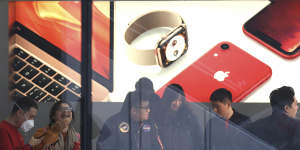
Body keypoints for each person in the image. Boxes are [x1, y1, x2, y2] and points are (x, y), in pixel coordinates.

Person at [96, 91, 163, 150]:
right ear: (133, 110)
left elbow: (157, 147)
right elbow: (102, 147)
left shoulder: (150, 124)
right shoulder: (113, 123)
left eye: (148, 107)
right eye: (145, 108)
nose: (148, 110)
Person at [157, 84, 203, 150]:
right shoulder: (159, 117)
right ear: (168, 99)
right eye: (174, 100)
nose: (177, 103)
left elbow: (199, 140)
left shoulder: (189, 117)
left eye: (180, 100)